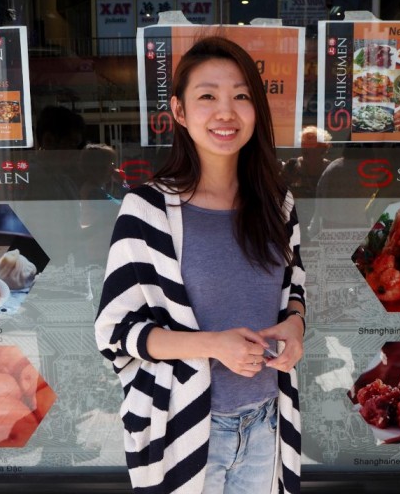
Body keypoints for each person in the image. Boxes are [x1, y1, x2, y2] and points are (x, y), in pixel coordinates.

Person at [94, 35, 306, 494]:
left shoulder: (277, 203)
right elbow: (115, 332)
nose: (225, 112)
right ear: (180, 111)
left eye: (241, 96)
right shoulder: (148, 210)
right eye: (207, 96)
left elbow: (294, 287)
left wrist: (296, 325)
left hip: (268, 420)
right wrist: (214, 345)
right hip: (185, 427)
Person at [281, 125, 333, 199]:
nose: (306, 149)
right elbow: (279, 191)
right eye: (304, 144)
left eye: (311, 145)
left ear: (322, 149)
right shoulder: (292, 165)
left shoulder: (330, 169)